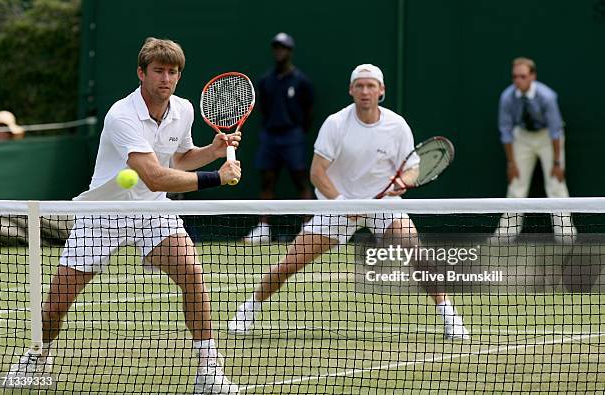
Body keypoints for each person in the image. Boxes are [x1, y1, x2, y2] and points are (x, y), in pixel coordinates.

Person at [6, 37, 241, 394]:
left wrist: (212, 150)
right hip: (103, 214)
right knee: (55, 306)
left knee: (192, 273)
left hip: (151, 211)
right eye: (159, 71)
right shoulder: (121, 115)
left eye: (173, 72)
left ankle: (209, 370)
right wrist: (217, 177)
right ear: (141, 73)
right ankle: (37, 357)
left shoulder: (184, 110)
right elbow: (154, 174)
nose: (166, 78)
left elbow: (177, 159)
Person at [229, 64, 469, 340]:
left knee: (417, 254)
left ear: (381, 91)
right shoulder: (335, 124)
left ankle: (450, 317)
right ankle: (248, 309)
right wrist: (344, 204)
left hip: (383, 207)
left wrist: (404, 181)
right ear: (351, 90)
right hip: (337, 205)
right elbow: (317, 174)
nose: (365, 91)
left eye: (371, 86)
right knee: (289, 265)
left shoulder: (397, 125)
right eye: (360, 85)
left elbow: (412, 167)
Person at [492, 57, 576, 243]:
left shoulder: (547, 97)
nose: (518, 81)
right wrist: (511, 163)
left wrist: (557, 163)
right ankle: (505, 236)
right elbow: (505, 131)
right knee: (516, 186)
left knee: (556, 185)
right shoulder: (507, 97)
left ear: (532, 76)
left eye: (522, 76)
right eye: (515, 77)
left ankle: (566, 235)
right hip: (522, 137)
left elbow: (555, 131)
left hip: (548, 138)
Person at [243, 32, 315, 244]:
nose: (279, 51)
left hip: (293, 135)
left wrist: (297, 131)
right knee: (267, 180)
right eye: (276, 47)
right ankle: (263, 228)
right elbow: (264, 110)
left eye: (283, 48)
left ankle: (307, 227)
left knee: (301, 180)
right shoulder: (265, 81)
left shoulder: (302, 82)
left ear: (290, 51)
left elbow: (308, 112)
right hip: (270, 137)